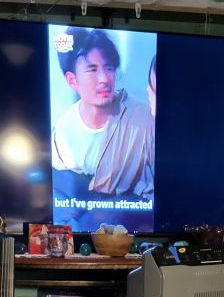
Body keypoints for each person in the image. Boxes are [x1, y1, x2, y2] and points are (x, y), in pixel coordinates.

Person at [51, 28, 155, 215]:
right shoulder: (64, 130)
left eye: (109, 68)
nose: (104, 79)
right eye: (92, 70)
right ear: (72, 80)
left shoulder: (144, 119)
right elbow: (63, 197)